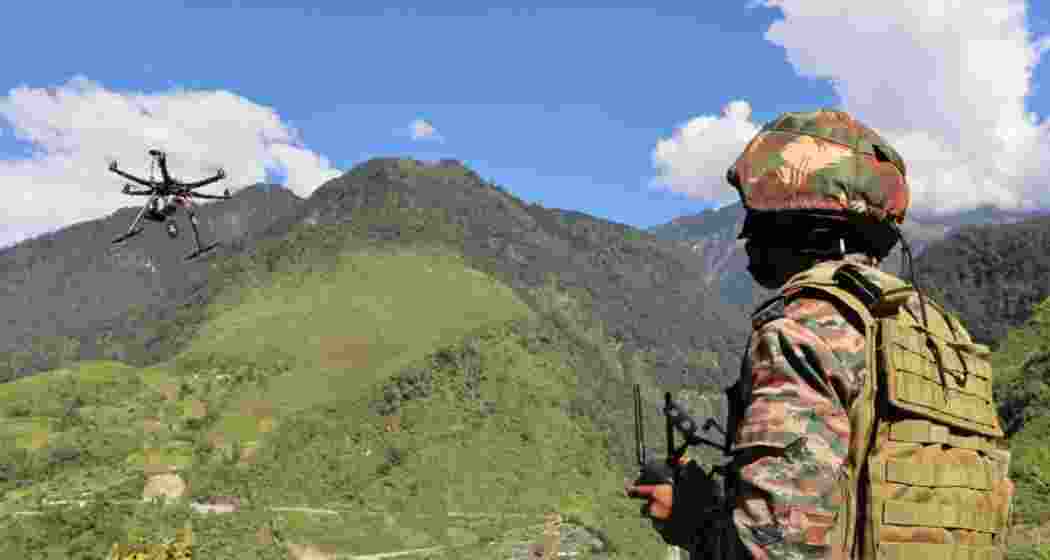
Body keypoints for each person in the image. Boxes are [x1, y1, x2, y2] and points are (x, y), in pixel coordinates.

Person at [627, 109, 1012, 559]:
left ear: (797, 222)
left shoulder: (801, 332)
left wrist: (691, 518)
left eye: (756, 216)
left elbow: (773, 548)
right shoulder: (940, 335)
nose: (746, 235)